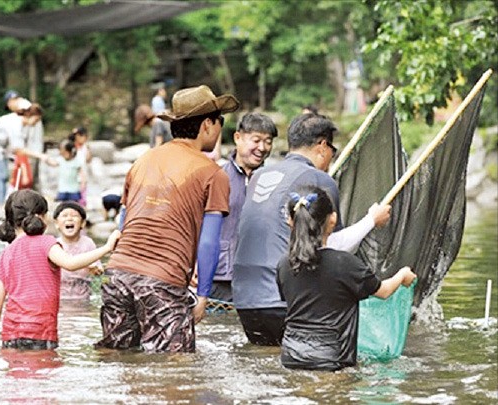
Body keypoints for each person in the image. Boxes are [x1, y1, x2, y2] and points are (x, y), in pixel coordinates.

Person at [95, 84, 239, 353]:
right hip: (163, 283)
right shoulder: (212, 173)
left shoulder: (143, 160)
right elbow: (209, 242)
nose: (220, 127)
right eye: (220, 121)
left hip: (118, 276)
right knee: (175, 369)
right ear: (207, 124)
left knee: (119, 360)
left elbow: (123, 224)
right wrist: (203, 295)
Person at [232, 113, 392, 346]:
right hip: (285, 300)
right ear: (322, 146)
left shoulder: (259, 175)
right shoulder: (318, 179)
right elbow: (333, 247)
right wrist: (371, 221)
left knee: (268, 362)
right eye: (331, 151)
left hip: (244, 301)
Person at [277, 185, 417, 371]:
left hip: (290, 356)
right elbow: (383, 292)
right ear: (333, 219)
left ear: (291, 222)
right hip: (331, 360)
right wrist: (402, 275)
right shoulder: (345, 263)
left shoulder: (284, 265)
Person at [0, 189, 120, 350]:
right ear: (40, 217)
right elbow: (70, 263)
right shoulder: (47, 243)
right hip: (41, 333)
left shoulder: (7, 253)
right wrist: (106, 248)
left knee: (17, 373)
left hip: (11, 335)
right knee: (44, 373)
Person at [210, 112, 278, 302]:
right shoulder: (217, 177)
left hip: (263, 278)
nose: (262, 148)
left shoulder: (276, 180)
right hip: (221, 275)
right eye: (256, 140)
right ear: (237, 138)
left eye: (268, 142)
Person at [53, 201, 103, 301]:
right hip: (59, 298)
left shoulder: (88, 243)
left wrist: (95, 269)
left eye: (74, 215)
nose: (69, 218)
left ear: (83, 223)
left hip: (83, 297)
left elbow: (98, 269)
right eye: (64, 215)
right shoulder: (54, 245)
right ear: (56, 223)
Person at [46, 139, 85, 203]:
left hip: (74, 189)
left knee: (74, 205)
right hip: (62, 189)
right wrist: (46, 159)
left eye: (62, 150)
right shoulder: (61, 160)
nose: (60, 152)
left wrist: (83, 184)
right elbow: (53, 163)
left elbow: (82, 174)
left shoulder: (76, 162)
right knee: (62, 205)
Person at [68, 127, 92, 206]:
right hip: (73, 176)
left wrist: (88, 148)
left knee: (82, 199)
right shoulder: (71, 147)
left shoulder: (85, 147)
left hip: (83, 175)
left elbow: (88, 160)